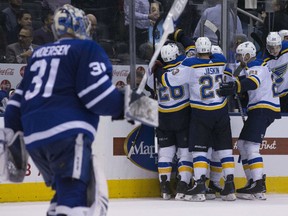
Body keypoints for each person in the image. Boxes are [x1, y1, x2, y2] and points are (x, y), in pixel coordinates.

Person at [4, 4, 125, 216]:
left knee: (63, 191)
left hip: (34, 139)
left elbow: (15, 105)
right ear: (81, 25)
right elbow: (98, 97)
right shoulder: (87, 49)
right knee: (78, 194)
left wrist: (13, 137)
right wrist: (128, 104)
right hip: (67, 133)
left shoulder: (39, 55)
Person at [155, 37, 236, 202]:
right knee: (224, 149)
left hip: (201, 113)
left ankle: (199, 184)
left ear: (197, 50)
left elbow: (167, 81)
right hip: (221, 112)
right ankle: (229, 185)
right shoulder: (220, 61)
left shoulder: (189, 64)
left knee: (199, 150)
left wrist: (157, 70)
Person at [218, 41, 281, 200]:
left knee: (251, 146)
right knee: (242, 144)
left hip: (263, 108)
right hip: (260, 108)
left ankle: (258, 182)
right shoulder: (255, 65)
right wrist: (238, 85)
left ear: (247, 54)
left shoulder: (257, 65)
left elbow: (253, 83)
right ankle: (252, 181)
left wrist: (236, 87)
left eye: (240, 55)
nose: (239, 58)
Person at [148, 42, 192, 201]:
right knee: (184, 153)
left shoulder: (154, 71)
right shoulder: (185, 67)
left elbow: (150, 88)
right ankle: (182, 185)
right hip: (182, 115)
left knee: (165, 153)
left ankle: (165, 187)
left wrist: (155, 67)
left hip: (163, 116)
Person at [258, 32, 288, 112]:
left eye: (277, 47)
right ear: (267, 46)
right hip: (273, 97)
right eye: (271, 48)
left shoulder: (286, 47)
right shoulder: (261, 58)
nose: (275, 51)